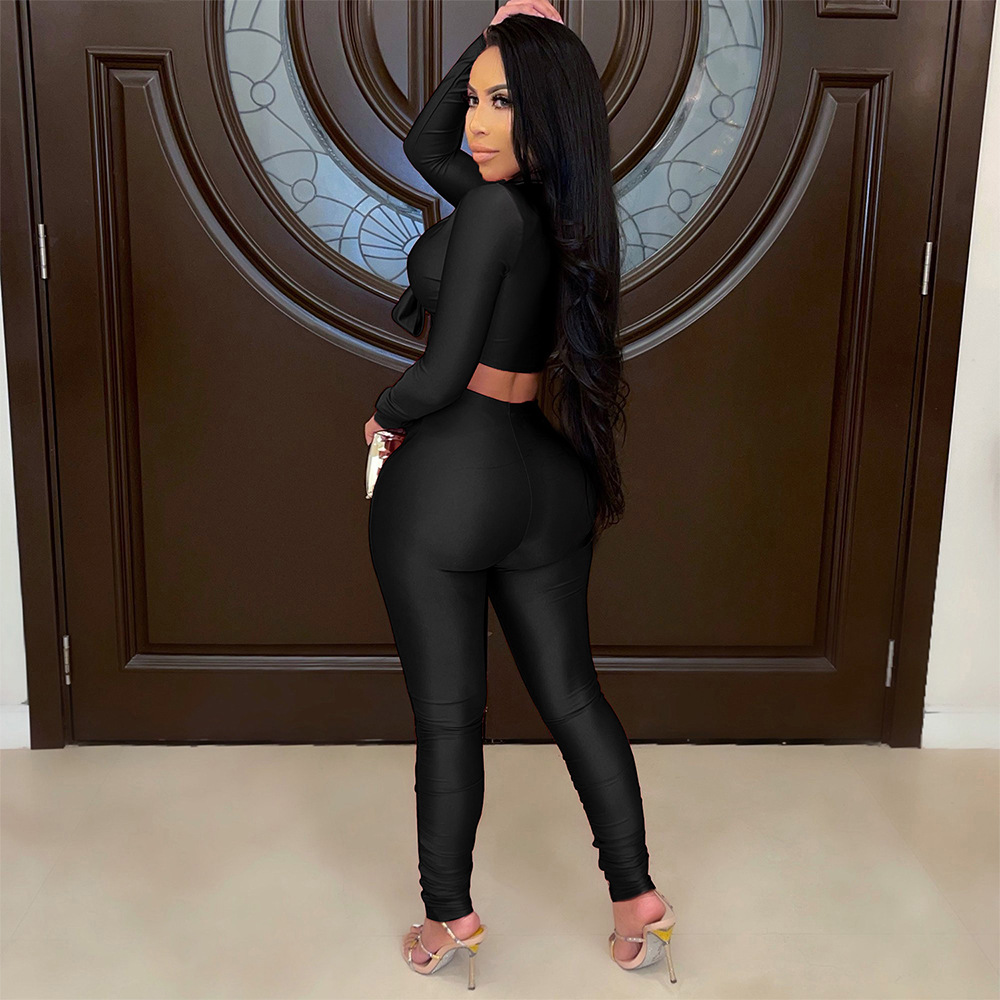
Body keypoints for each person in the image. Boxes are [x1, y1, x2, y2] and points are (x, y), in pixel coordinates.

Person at [365, 1, 677, 985]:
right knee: (574, 696)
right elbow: (427, 142)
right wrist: (496, 35)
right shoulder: (557, 211)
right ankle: (636, 897)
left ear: (547, 112)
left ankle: (447, 919)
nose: (475, 121)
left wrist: (383, 414)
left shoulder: (495, 211)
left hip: (453, 478)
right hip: (546, 478)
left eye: (502, 102)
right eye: (476, 98)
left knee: (449, 715)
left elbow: (441, 372)